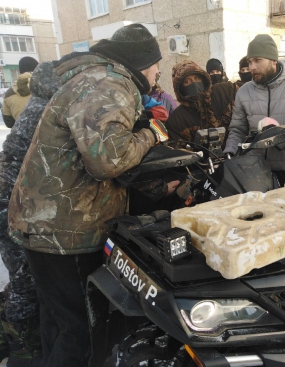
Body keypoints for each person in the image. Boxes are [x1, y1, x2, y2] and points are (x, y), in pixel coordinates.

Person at [7, 24, 177, 367]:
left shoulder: (92, 77)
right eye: (158, 64)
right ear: (145, 62)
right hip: (66, 231)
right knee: (82, 332)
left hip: (45, 223)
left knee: (59, 321)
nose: (159, 72)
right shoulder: (109, 82)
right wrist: (153, 133)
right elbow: (109, 159)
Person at [0, 61, 59, 367]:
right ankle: (23, 350)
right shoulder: (43, 111)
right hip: (11, 206)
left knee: (22, 277)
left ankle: (13, 334)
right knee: (25, 281)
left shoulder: (36, 104)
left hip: (15, 202)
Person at [223, 34, 285, 186]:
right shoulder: (244, 91)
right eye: (250, 62)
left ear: (273, 60)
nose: (252, 67)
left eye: (258, 60)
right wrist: (229, 152)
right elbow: (237, 129)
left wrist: (278, 134)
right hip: (252, 169)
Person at [166, 60, 236, 146]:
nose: (194, 84)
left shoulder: (225, 92)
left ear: (203, 79)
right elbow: (178, 151)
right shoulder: (177, 121)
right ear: (180, 87)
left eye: (197, 78)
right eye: (187, 81)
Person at [1, 57, 39, 128]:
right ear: (38, 69)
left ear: (20, 71)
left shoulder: (9, 93)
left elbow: (9, 123)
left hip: (22, 135)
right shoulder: (45, 87)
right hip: (47, 134)